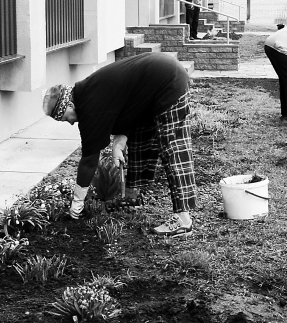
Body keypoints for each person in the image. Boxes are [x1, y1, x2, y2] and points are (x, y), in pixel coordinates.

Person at [42, 53, 196, 236]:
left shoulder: (89, 108)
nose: (70, 123)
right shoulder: (88, 93)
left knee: (173, 151)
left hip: (167, 82)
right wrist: (118, 145)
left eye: (65, 118)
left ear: (68, 106)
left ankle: (183, 219)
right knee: (140, 136)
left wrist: (77, 203)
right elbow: (127, 108)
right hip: (160, 77)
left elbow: (89, 159)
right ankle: (133, 197)